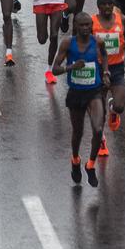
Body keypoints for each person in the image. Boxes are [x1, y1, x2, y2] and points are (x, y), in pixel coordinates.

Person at [52, 14, 111, 187]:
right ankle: (75, 159)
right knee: (78, 133)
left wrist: (105, 73)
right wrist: (71, 67)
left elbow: (105, 56)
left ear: (92, 25)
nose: (85, 28)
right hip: (76, 93)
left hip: (94, 91)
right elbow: (55, 69)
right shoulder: (67, 43)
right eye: (82, 25)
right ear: (75, 26)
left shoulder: (98, 42)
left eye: (88, 25)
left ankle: (90, 165)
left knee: (98, 129)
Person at [92, 0, 125, 156]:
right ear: (98, 6)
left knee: (120, 106)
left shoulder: (122, 20)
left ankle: (113, 110)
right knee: (99, 110)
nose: (107, 7)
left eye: (110, 4)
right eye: (104, 4)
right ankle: (101, 140)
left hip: (117, 67)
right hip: (98, 69)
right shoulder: (91, 23)